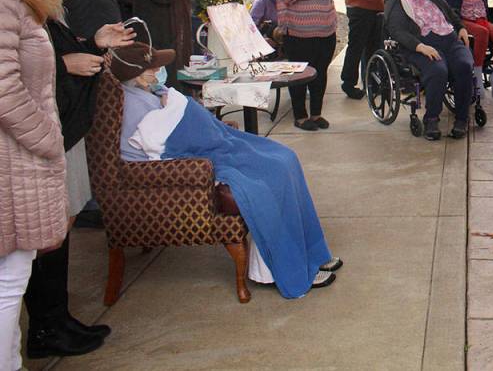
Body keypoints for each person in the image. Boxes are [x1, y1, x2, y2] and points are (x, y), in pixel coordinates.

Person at [112, 43, 341, 297]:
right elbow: (155, 146)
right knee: (271, 176)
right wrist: (184, 113)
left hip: (212, 147)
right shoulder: (132, 104)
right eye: (150, 67)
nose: (157, 70)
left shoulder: (151, 91)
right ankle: (280, 268)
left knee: (284, 158)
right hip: (182, 168)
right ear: (133, 73)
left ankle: (311, 251)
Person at [21, 0, 136, 360]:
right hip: (43, 133)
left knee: (61, 225)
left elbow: (52, 46)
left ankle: (56, 317)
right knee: (49, 231)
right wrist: (66, 64)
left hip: (62, 125)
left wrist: (92, 45)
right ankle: (46, 327)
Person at [0, 0, 68, 371]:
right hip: (14, 162)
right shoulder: (4, 0)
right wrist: (46, 138)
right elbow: (3, 89)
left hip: (20, 159)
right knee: (8, 283)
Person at [384, 0, 474, 140]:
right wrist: (421, 47)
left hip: (449, 39)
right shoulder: (395, 1)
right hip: (423, 45)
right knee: (437, 71)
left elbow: (447, 10)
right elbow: (397, 31)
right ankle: (431, 119)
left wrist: (460, 27)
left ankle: (462, 119)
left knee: (464, 65)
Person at [274, 0, 337, 130]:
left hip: (326, 25)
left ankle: (317, 113)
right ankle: (300, 116)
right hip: (299, 30)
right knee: (300, 74)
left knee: (321, 71)